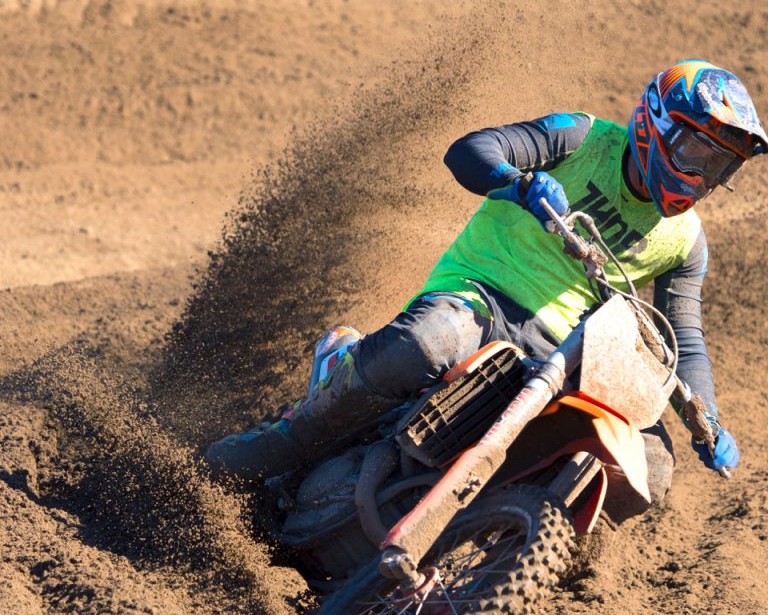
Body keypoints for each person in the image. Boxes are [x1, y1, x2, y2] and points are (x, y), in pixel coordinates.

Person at [206, 60, 766, 508]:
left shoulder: (686, 242)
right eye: (697, 153)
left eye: (721, 168)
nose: (703, 177)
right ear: (655, 124)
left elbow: (682, 339)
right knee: (425, 341)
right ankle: (294, 429)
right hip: (482, 298)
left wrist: (706, 417)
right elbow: (470, 151)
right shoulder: (582, 137)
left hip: (572, 353)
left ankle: (518, 551)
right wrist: (518, 183)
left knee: (652, 468)